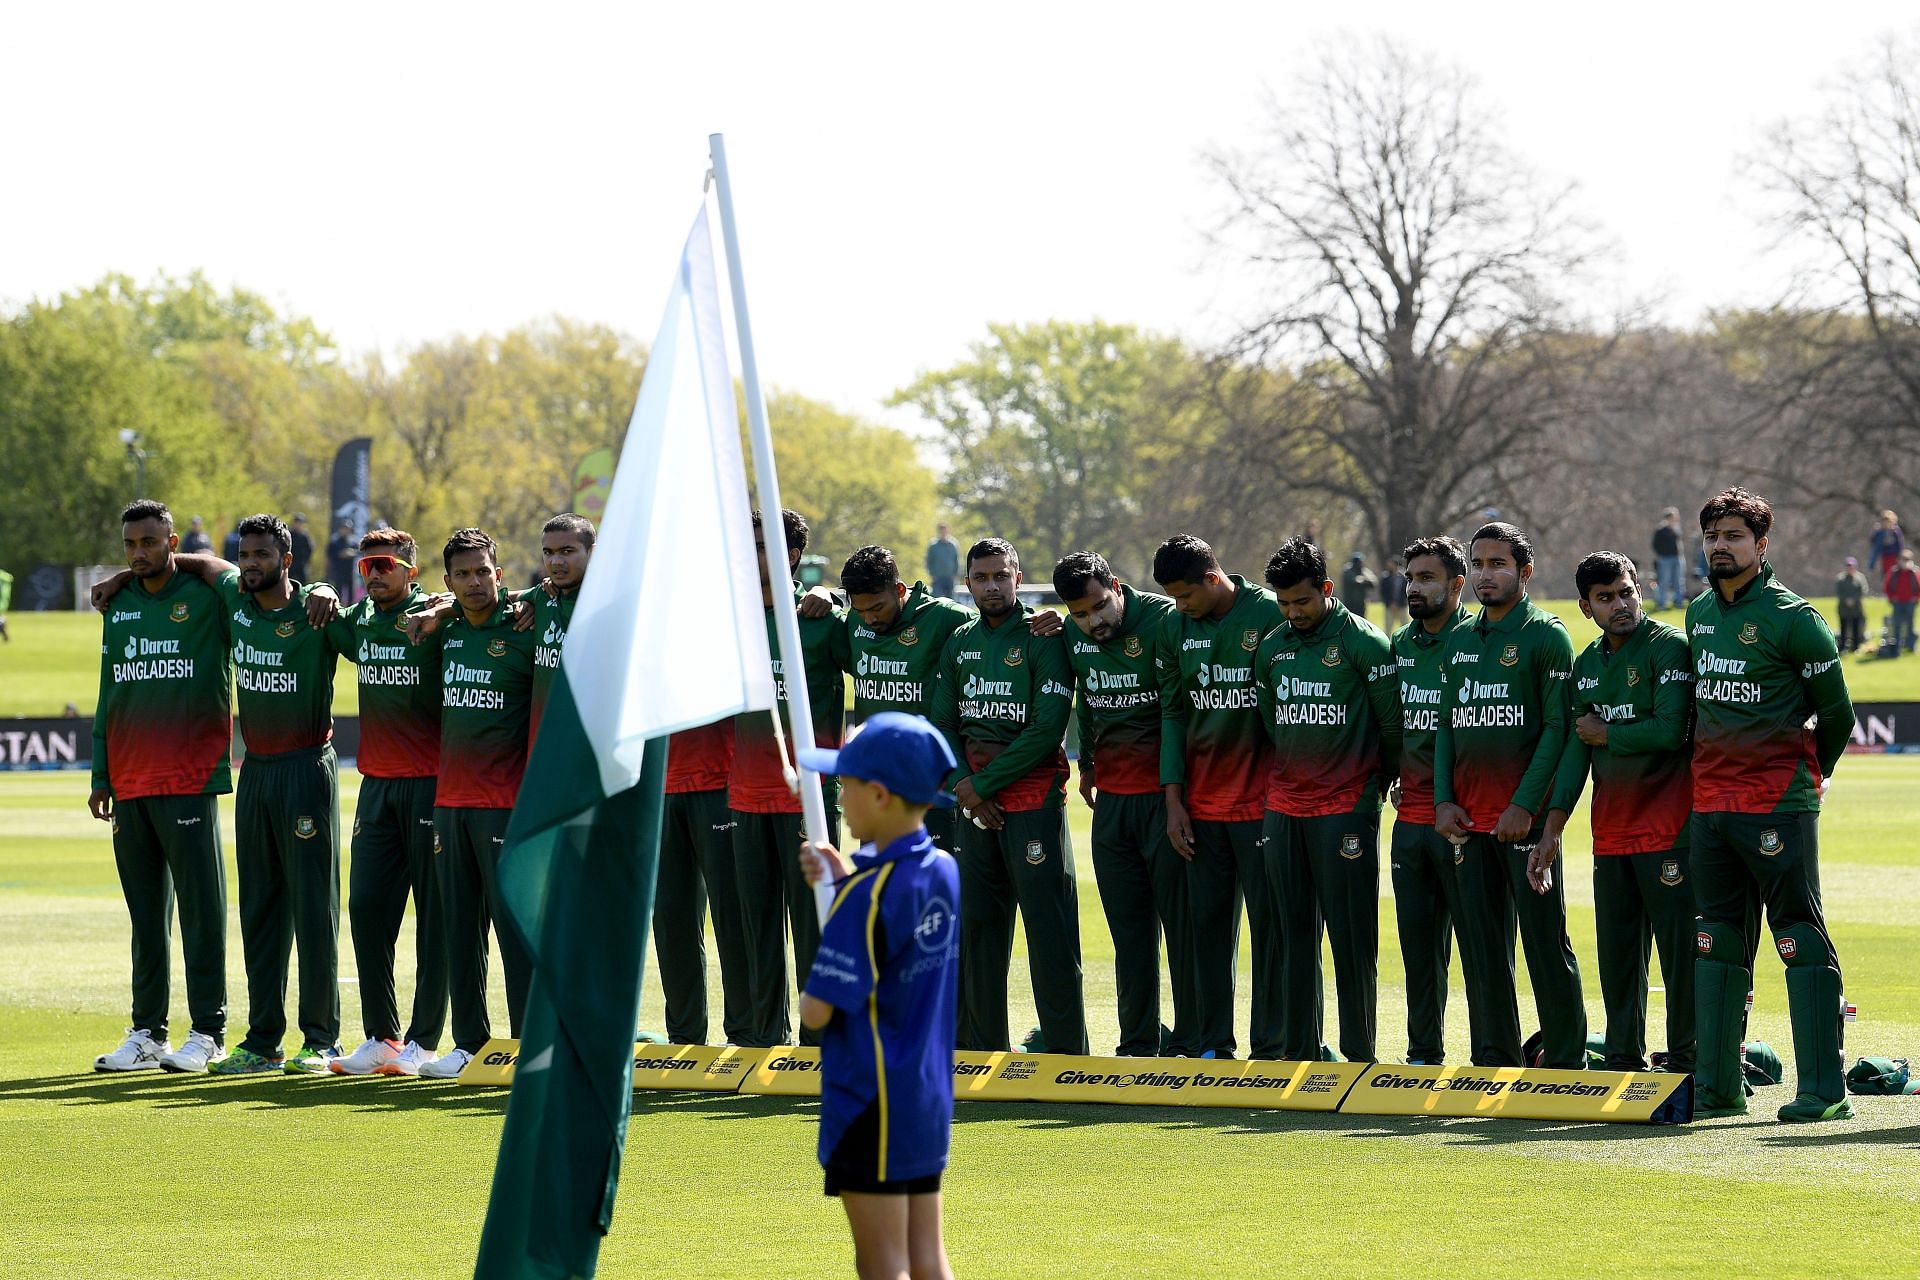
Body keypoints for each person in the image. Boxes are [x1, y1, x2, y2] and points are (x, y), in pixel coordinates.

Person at [137, 514, 348, 1075]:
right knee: (259, 909)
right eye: (244, 554)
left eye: (261, 555)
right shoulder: (234, 597)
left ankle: (322, 1039)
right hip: (255, 771)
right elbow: (201, 563)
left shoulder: (316, 612)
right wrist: (119, 578)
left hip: (306, 767)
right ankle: (262, 1041)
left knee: (313, 905)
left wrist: (331, 589)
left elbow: (372, 634)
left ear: (287, 560)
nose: (250, 563)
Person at [1688, 488, 1855, 1122]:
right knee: (1716, 939)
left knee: (1798, 936)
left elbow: (1836, 713)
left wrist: (1818, 772)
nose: (1720, 546)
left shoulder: (1796, 619)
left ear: (1762, 545)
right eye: (1712, 536)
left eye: (1733, 535)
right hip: (1711, 807)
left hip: (1776, 806)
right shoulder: (1700, 613)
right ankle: (1719, 1085)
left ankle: (1822, 1089)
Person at [797, 714, 961, 1280]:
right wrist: (845, 882)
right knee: (927, 1258)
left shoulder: (864, 896)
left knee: (882, 1264)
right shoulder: (943, 870)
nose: (837, 795)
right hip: (924, 1096)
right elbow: (895, 928)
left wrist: (844, 900)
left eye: (844, 783)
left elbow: (817, 1011)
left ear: (879, 793)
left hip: (870, 1099)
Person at [86, 500, 234, 1073]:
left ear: (173, 543)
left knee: (201, 913)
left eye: (150, 542)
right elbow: (110, 691)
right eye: (130, 546)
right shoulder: (117, 604)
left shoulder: (206, 595)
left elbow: (227, 568)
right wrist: (102, 774)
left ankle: (209, 1032)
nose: (139, 553)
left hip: (189, 779)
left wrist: (184, 560)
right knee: (146, 917)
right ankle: (148, 1032)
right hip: (129, 782)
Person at [1432, 521, 1587, 1068]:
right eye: (1477, 564)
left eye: (1497, 565)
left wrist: (1526, 805)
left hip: (1524, 824)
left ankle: (1567, 1060)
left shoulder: (1546, 635)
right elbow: (1448, 725)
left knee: (1545, 946)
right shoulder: (1457, 639)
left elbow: (1556, 730)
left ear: (1524, 572)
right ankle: (1493, 1058)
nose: (1484, 575)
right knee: (1481, 950)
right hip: (1468, 825)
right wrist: (1442, 800)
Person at [1541, 553, 1696, 1075]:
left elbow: (1673, 729)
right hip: (1611, 836)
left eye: (1626, 592)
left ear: (1641, 590)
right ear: (1586, 607)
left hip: (1670, 832)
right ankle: (1623, 1059)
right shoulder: (1585, 667)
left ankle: (1688, 1060)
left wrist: (1607, 733)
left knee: (1681, 957)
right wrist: (1553, 827)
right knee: (1619, 959)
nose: (1620, 604)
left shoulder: (1668, 647)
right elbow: (1574, 755)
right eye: (1606, 598)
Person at [930, 537, 1085, 1055]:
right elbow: (943, 724)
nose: (991, 586)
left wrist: (981, 787)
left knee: (1051, 935)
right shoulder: (960, 641)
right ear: (967, 582)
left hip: (1031, 804)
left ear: (1019, 578)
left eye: (1001, 576)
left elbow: (1046, 731)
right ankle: (983, 1053)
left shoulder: (1043, 636)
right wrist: (964, 791)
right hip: (975, 809)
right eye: (981, 577)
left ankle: (1066, 1055)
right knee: (979, 933)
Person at [1256, 538, 1401, 1064]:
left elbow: (1392, 729)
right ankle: (1301, 1056)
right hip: (1284, 807)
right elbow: (1274, 722)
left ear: (1327, 589)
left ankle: (1359, 1057)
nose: (1294, 613)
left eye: (1303, 602)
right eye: (1284, 604)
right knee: (1291, 937)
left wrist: (1370, 786)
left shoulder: (1366, 644)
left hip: (1346, 807)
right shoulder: (1272, 648)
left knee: (1351, 939)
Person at [1053, 551, 1198, 1057]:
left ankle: (1192, 1042)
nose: (1092, 622)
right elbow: (1088, 701)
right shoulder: (1069, 633)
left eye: (1098, 607)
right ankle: (1137, 1042)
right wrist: (1089, 762)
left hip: (1167, 800)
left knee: (1182, 932)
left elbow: (1181, 713)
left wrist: (1176, 796)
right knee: (1129, 935)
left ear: (1115, 586)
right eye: (1078, 614)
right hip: (1111, 805)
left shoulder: (1164, 619)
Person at [322, 529, 450, 1076]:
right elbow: (318, 606)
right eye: (365, 566)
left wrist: (444, 607)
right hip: (376, 787)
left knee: (436, 917)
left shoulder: (435, 617)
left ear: (410, 571)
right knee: (367, 910)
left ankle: (425, 1040)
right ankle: (382, 1037)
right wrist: (323, 587)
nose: (372, 574)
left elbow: (489, 599)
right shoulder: (359, 622)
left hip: (431, 784)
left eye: (383, 564)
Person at [1152, 534, 1284, 1060]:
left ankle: (1275, 1046)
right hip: (1201, 810)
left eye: (1185, 596)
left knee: (1271, 932)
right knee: (1207, 931)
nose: (1179, 607)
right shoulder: (1171, 627)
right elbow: (1173, 714)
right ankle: (1213, 1046)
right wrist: (1173, 800)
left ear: (1212, 578)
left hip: (1264, 807)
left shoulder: (1271, 613)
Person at [422, 527, 539, 1079]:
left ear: (500, 574)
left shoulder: (524, 629)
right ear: (446, 582)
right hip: (450, 802)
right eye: (462, 574)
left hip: (505, 805)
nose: (473, 582)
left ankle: (528, 1044)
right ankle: (469, 1043)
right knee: (459, 928)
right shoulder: (443, 632)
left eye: (482, 571)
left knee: (513, 930)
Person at [731, 508, 850, 1048]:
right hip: (743, 799)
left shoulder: (821, 621)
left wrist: (837, 597)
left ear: (791, 556)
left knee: (815, 931)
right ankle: (761, 1044)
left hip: (811, 803)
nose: (746, 554)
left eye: (759, 545)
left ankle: (820, 1045)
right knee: (756, 934)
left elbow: (881, 637)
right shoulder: (730, 617)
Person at [1388, 536, 1480, 1066]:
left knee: (1478, 948)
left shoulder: (1476, 640)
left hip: (1465, 819)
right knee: (1419, 949)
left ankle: (1493, 1053)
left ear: (1456, 584)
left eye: (1426, 578)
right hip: (1410, 820)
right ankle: (1424, 1051)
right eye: (1411, 577)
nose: (1415, 587)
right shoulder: (1401, 645)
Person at [836, 545, 975, 851]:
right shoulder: (854, 623)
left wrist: (1039, 619)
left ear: (899, 589)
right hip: (875, 790)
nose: (869, 619)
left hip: (931, 790)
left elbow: (995, 630)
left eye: (877, 608)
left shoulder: (946, 618)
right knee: (879, 892)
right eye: (861, 611)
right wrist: (819, 592)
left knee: (931, 891)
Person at [655, 719, 746, 1045]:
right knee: (669, 917)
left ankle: (747, 1034)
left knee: (733, 913)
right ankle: (684, 1034)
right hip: (659, 784)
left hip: (720, 779)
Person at [524, 513, 595, 748]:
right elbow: (488, 602)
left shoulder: (608, 607)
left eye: (567, 551)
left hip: (588, 748)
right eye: (548, 553)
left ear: (593, 552)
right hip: (542, 752)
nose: (555, 561)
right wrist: (441, 610)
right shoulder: (542, 597)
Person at [1651, 508, 1684, 611]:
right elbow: (1655, 544)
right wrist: (1662, 553)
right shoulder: (1661, 530)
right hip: (1665, 559)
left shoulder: (1675, 529)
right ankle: (1662, 603)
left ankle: (1679, 602)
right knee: (1664, 581)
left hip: (1677, 558)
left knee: (1678, 581)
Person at [1887, 549, 1920, 654]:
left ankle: (1911, 646)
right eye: (1903, 559)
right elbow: (1887, 587)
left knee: (1910, 625)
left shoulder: (1915, 572)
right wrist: (1892, 597)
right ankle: (1896, 648)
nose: (1904, 562)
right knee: (1897, 625)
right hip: (1898, 603)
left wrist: (1916, 597)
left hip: (1910, 602)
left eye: (1907, 560)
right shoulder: (1894, 572)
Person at [1834, 557, 1869, 654]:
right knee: (1844, 628)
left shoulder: (1860, 578)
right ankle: (1842, 647)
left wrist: (1854, 600)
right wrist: (1846, 600)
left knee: (1856, 627)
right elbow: (1839, 592)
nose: (1850, 568)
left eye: (1852, 566)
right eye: (1848, 566)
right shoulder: (1840, 578)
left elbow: (1863, 590)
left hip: (1856, 608)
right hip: (1843, 608)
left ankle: (1855, 647)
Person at [1867, 509, 1903, 588]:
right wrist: (1874, 532)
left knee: (1894, 574)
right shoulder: (1880, 531)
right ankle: (1888, 588)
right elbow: (1873, 542)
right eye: (1884, 521)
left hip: (1894, 556)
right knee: (1886, 574)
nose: (1886, 524)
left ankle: (1895, 588)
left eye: (1888, 521)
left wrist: (1900, 556)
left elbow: (1900, 544)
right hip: (1884, 555)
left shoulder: (1895, 531)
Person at [925, 523, 961, 600]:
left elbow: (956, 560)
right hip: (938, 578)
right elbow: (929, 561)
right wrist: (932, 574)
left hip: (950, 578)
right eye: (941, 531)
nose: (943, 533)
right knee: (936, 599)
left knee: (951, 600)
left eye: (944, 531)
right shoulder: (933, 545)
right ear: (939, 532)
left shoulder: (953, 544)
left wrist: (955, 575)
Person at [1338, 554, 1376, 621]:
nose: (1361, 564)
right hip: (1350, 601)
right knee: (1350, 620)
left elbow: (1373, 583)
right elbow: (1356, 581)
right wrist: (1365, 579)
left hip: (1361, 602)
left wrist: (1365, 578)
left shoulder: (1364, 571)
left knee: (1361, 620)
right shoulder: (1348, 571)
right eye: (1359, 562)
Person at [326, 519, 357, 595]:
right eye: (344, 528)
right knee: (338, 592)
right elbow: (330, 554)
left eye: (348, 529)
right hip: (338, 572)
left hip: (349, 571)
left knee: (350, 593)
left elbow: (359, 552)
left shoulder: (353, 541)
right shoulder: (334, 541)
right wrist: (341, 554)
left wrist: (352, 553)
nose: (346, 530)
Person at [1379, 558, 1408, 632]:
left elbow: (1406, 591)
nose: (1389, 566)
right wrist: (1390, 603)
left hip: (1402, 606)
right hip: (1389, 606)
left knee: (1405, 626)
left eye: (1391, 564)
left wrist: (1398, 603)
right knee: (1388, 626)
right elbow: (1383, 592)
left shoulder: (1404, 577)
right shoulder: (1385, 577)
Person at [288, 513, 314, 583]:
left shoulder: (305, 536)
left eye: (301, 523)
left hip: (301, 564)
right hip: (290, 563)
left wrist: (305, 561)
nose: (299, 525)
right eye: (297, 523)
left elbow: (309, 549)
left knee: (303, 582)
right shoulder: (289, 534)